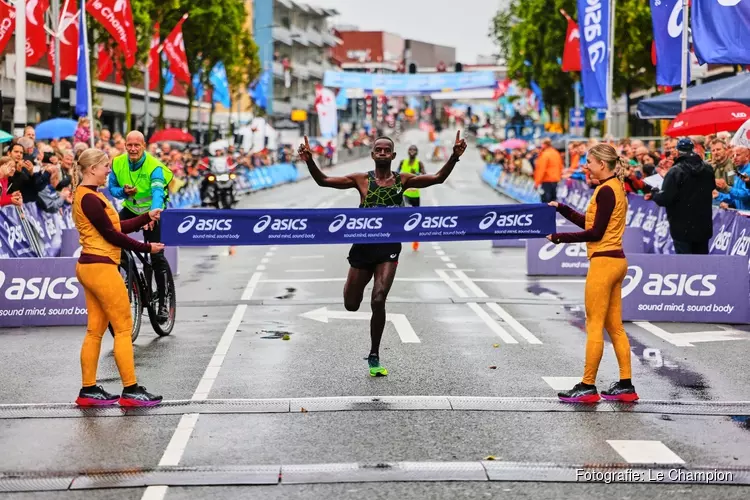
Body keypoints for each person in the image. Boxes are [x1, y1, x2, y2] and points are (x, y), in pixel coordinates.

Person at [298, 132, 467, 377]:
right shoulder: (361, 180)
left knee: (378, 299)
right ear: (373, 154)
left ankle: (374, 354)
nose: (383, 153)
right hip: (362, 248)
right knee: (351, 304)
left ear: (393, 155)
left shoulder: (403, 180)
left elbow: (438, 178)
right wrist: (309, 161)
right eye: (379, 150)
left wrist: (454, 156)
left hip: (388, 248)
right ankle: (354, 296)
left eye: (387, 150)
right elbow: (324, 181)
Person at [546, 144, 638, 403]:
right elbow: (591, 223)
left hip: (604, 263)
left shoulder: (606, 190)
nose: (586, 166)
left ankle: (587, 385)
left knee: (594, 324)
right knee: (615, 326)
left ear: (601, 163)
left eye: (589, 162)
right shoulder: (613, 188)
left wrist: (559, 238)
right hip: (616, 260)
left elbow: (595, 233)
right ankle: (625, 384)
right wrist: (562, 209)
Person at [71, 148, 163, 407]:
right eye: (105, 167)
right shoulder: (90, 198)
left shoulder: (89, 196)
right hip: (101, 267)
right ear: (91, 169)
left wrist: (145, 217)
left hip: (90, 266)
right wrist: (147, 248)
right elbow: (112, 235)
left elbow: (115, 227)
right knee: (123, 329)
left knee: (95, 331)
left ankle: (88, 390)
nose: (108, 171)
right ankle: (131, 389)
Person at [108, 131, 174, 320]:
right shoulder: (118, 162)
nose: (133, 149)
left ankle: (162, 303)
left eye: (137, 145)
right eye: (129, 145)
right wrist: (124, 191)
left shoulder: (154, 167)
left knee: (156, 255)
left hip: (153, 211)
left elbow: (158, 194)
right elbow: (112, 188)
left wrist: (152, 216)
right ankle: (126, 278)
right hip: (130, 208)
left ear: (144, 146)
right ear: (125, 145)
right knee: (112, 234)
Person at [645, 138, 714, 255]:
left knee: (685, 265)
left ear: (677, 151)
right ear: (693, 150)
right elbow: (711, 188)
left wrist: (655, 192)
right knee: (702, 265)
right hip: (703, 226)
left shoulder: (675, 171)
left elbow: (665, 198)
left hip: (681, 228)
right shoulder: (708, 169)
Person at [398, 145, 426, 251]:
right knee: (406, 211)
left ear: (417, 152)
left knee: (416, 219)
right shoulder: (402, 162)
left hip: (415, 195)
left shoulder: (419, 163)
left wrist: (417, 174)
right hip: (405, 193)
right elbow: (396, 174)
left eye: (414, 150)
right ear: (407, 151)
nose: (412, 151)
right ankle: (400, 235)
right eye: (410, 149)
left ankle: (415, 240)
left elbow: (425, 175)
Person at [534, 138, 563, 202]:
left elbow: (541, 170)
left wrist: (537, 182)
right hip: (555, 180)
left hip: (546, 180)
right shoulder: (556, 153)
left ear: (544, 145)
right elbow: (560, 166)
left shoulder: (545, 155)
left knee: (545, 201)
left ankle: (546, 212)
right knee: (553, 200)